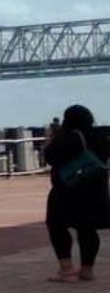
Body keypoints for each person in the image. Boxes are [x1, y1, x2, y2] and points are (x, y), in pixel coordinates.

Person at [42, 105, 110, 283]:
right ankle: (87, 270)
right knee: (87, 228)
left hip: (68, 188)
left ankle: (67, 269)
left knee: (57, 225)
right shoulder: (101, 136)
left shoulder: (68, 137)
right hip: (96, 188)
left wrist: (52, 138)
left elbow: (49, 156)